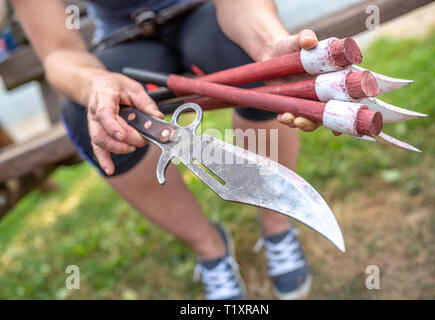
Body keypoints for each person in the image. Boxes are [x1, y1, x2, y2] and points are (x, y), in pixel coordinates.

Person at [12, 0, 321, 300]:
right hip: (125, 42)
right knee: (87, 114)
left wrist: (267, 42)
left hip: (207, 15)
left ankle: (277, 226)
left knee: (258, 68)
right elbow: (59, 52)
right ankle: (211, 249)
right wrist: (95, 83)